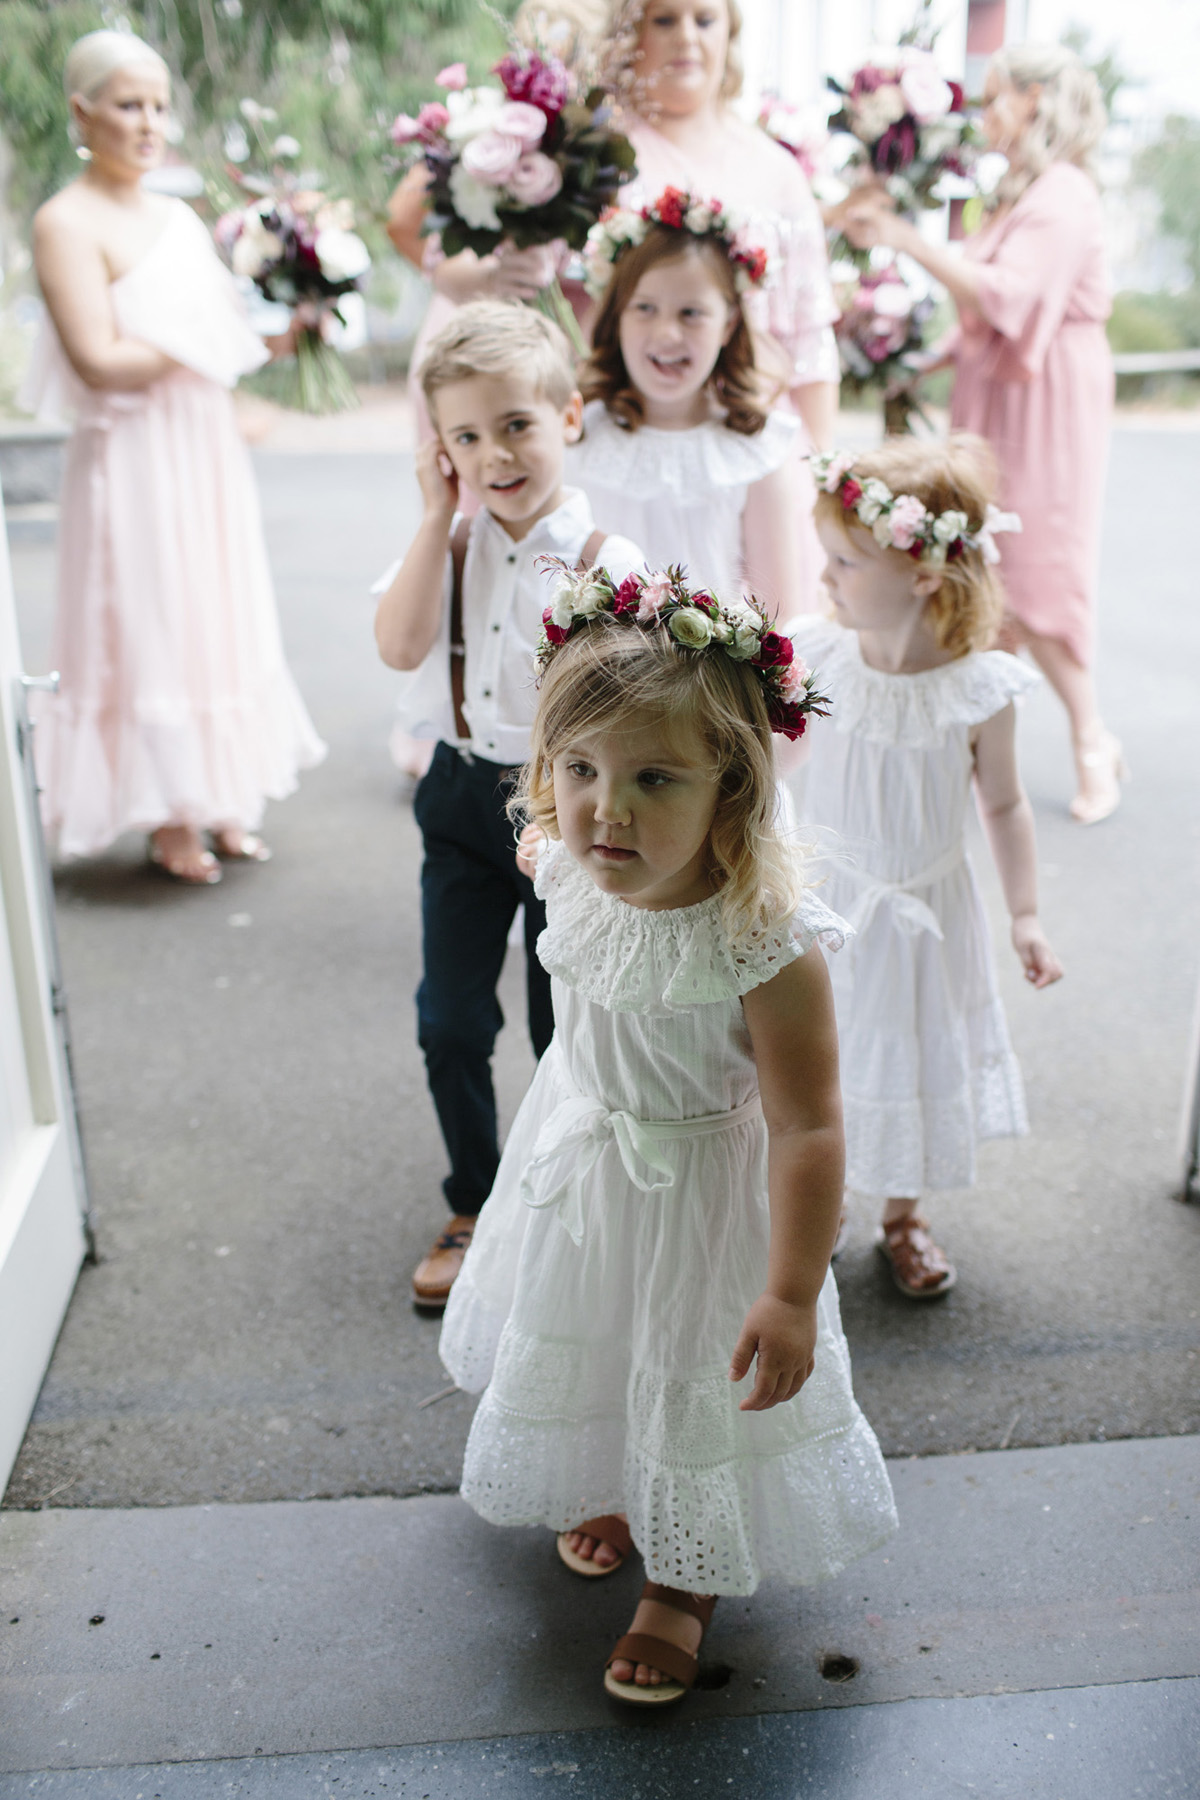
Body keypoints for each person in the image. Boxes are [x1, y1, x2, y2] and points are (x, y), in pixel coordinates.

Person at [439, 566, 897, 1703]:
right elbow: (558, 867)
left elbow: (807, 1126)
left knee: (690, 1367)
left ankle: (685, 1578)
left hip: (705, 1192)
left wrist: (791, 1291)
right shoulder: (567, 867)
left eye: (654, 778)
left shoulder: (765, 944)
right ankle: (604, 1467)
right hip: (587, 1156)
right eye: (580, 771)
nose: (608, 809)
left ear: (730, 790)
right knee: (588, 1323)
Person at [374, 302, 643, 1308]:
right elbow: (400, 649)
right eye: (467, 437)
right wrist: (431, 520)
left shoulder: (607, 561)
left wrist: (574, 820)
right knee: (448, 1020)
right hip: (456, 800)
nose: (495, 454)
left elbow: (629, 714)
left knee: (558, 1027)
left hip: (561, 817)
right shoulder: (450, 545)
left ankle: (561, 1201)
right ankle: (473, 1200)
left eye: (516, 425)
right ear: (442, 451)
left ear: (568, 416)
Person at [23, 30, 326, 882]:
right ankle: (165, 812)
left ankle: (220, 794)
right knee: (149, 618)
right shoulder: (64, 221)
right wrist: (208, 341)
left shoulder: (179, 217)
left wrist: (275, 336)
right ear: (83, 112)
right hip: (132, 456)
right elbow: (98, 359)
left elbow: (217, 342)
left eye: (159, 105)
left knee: (215, 607)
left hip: (201, 446)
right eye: (129, 105)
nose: (150, 123)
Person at [790, 438, 1063, 1299]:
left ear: (923, 576)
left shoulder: (980, 689)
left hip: (926, 914)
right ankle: (819, 1204)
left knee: (907, 1056)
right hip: (828, 900)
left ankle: (903, 1217)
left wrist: (1024, 913)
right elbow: (761, 763)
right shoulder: (819, 657)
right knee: (821, 1059)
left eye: (844, 560)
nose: (824, 577)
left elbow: (1007, 805)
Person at [843, 45, 1119, 824]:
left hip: (1049, 399)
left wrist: (907, 239)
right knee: (987, 560)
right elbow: (981, 316)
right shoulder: (1015, 195)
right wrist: (912, 359)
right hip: (996, 392)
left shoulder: (1064, 194)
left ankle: (1091, 738)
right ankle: (982, 751)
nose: (983, 114)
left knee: (1041, 566)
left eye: (996, 98)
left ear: (1035, 101)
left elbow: (1011, 298)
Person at [602, 2, 838, 444]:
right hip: (625, 426)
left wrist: (819, 463)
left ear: (729, 32)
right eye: (665, 20)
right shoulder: (598, 156)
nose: (687, 37)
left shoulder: (776, 170)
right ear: (634, 34)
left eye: (704, 20)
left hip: (751, 430)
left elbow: (810, 338)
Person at [568, 190, 804, 621]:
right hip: (596, 677)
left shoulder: (754, 450)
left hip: (711, 682)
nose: (667, 334)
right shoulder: (579, 436)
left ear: (729, 323)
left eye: (691, 313)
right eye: (644, 308)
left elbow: (778, 615)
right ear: (617, 315)